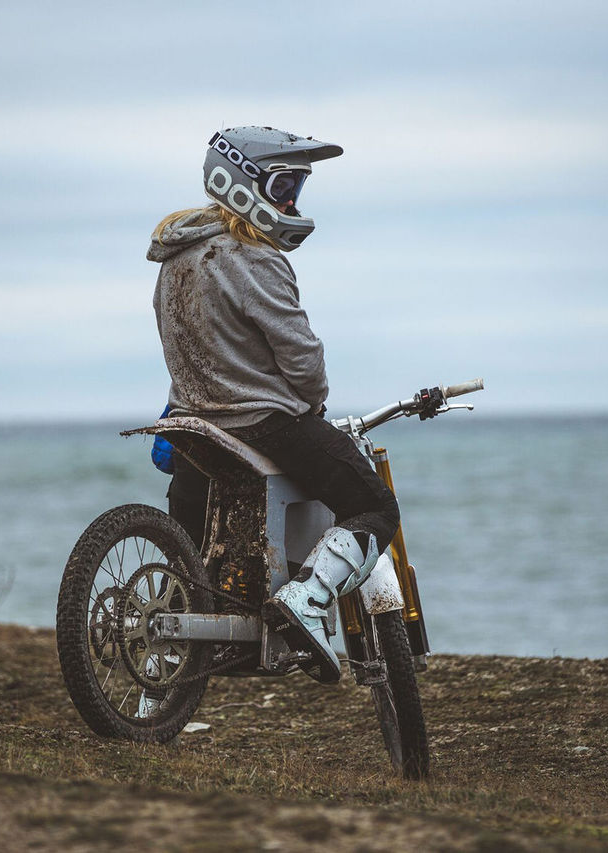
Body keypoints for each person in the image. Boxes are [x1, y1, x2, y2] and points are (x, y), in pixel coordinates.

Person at [146, 126, 400, 684]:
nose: (289, 203)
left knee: (184, 560)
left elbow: (186, 347)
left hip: (194, 430)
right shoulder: (255, 258)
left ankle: (153, 688)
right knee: (377, 508)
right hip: (264, 426)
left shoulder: (175, 257)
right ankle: (307, 599)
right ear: (238, 181)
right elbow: (302, 359)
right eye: (283, 186)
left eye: (297, 190)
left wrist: (180, 410)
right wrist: (315, 404)